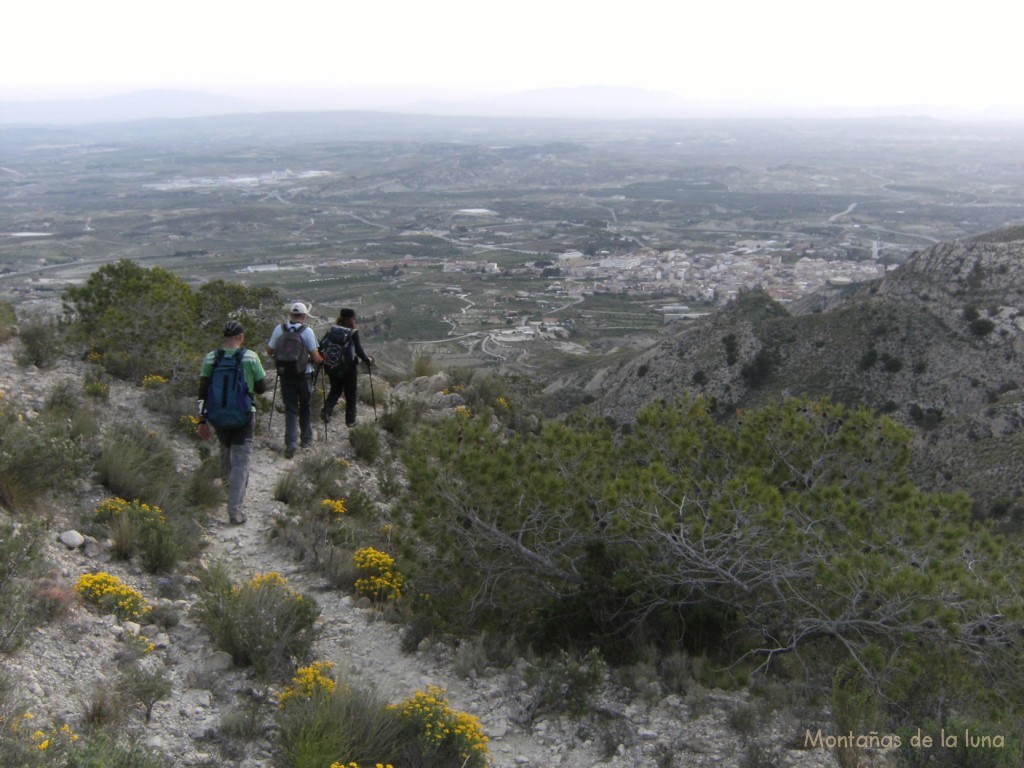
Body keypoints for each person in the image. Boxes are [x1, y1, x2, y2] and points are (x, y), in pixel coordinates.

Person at [197, 320, 267, 525]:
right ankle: (235, 510)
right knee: (241, 461)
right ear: (241, 337)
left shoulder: (211, 358)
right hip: (244, 415)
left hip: (218, 416)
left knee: (225, 454)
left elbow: (202, 392)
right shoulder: (250, 357)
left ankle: (231, 495)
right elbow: (262, 388)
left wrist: (201, 420)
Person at [267, 301, 323, 458]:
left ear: (291, 315)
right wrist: (321, 359)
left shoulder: (280, 329)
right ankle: (306, 439)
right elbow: (315, 357)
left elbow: (269, 351)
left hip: (285, 375)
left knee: (290, 408)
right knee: (305, 406)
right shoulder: (307, 331)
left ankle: (290, 443)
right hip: (304, 375)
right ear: (304, 316)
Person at [320, 308, 374, 428]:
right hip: (348, 367)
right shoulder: (352, 332)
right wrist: (367, 360)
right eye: (353, 318)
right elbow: (359, 350)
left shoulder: (332, 330)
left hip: (332, 366)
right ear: (350, 319)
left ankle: (326, 411)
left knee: (336, 389)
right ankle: (350, 420)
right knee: (350, 393)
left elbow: (321, 345)